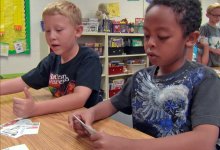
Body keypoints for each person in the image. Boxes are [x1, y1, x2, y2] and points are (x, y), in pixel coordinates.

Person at [68, 0, 220, 150]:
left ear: (190, 38)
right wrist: (89, 113)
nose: (150, 43)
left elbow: (204, 141)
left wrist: (126, 145)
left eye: (162, 36)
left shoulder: (205, 79)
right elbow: (111, 104)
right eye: (147, 35)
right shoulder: (141, 77)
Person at [0, 0, 102, 118]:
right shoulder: (52, 59)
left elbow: (79, 98)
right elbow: (23, 82)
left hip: (85, 121)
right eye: (47, 31)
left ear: (77, 31)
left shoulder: (89, 58)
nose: (51, 36)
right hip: (60, 116)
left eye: (58, 30)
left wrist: (35, 109)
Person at [198, 3, 220, 67]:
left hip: (217, 61)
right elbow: (200, 44)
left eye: (219, 15)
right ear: (208, 15)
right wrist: (214, 50)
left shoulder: (219, 29)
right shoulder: (204, 28)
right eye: (215, 15)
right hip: (207, 61)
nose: (218, 18)